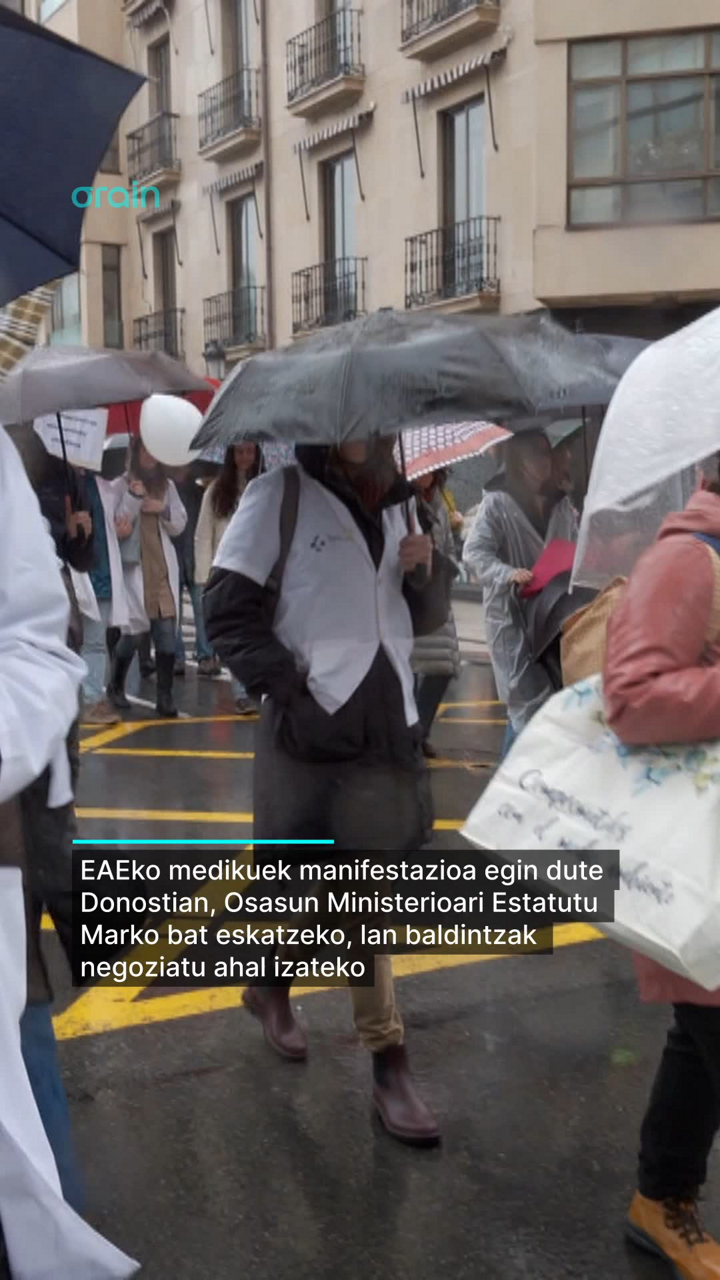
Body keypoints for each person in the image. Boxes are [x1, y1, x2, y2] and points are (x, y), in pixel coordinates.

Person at [204, 437, 451, 1146]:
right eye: (354, 422)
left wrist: (426, 571)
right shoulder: (277, 496)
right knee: (315, 889)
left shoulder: (403, 504)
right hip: (312, 732)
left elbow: (424, 616)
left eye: (379, 422)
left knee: (362, 896)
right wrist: (292, 690)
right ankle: (330, 1021)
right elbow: (225, 612)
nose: (367, 433)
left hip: (386, 726)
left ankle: (368, 1045)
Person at [604, 460, 720, 1279]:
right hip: (702, 858)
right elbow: (633, 697)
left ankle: (661, 1196)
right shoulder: (689, 558)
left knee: (698, 1034)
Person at [463, 431, 578, 756]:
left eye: (547, 452)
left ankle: (516, 778)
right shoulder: (497, 503)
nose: (544, 460)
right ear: (518, 459)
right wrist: (508, 574)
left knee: (541, 710)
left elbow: (573, 547)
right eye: (535, 453)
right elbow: (474, 553)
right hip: (513, 623)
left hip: (553, 619)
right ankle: (510, 779)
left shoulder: (561, 504)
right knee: (525, 711)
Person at [108, 439, 187, 719]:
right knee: (133, 632)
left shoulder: (167, 487)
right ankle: (115, 684)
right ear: (136, 451)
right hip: (134, 569)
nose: (150, 456)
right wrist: (133, 496)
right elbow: (116, 523)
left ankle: (164, 697)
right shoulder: (120, 485)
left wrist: (161, 508)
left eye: (154, 450)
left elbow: (179, 524)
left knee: (166, 633)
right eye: (145, 449)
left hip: (161, 570)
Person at [195, 442, 261, 713]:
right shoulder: (216, 491)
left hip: (259, 572)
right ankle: (241, 692)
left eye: (250, 451)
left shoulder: (265, 487)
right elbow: (203, 535)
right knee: (237, 634)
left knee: (257, 633)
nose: (245, 457)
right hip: (227, 572)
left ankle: (254, 687)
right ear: (231, 455)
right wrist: (204, 575)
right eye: (239, 451)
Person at [75, 467, 134, 725]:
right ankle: (81, 699)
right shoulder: (62, 483)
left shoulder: (101, 485)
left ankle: (91, 699)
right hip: (77, 572)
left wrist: (134, 494)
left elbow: (121, 516)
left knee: (95, 643)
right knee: (74, 643)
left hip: (103, 574)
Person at [411, 469, 460, 758]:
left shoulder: (440, 501)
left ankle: (420, 730)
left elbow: (449, 546)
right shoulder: (404, 503)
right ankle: (411, 735)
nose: (427, 474)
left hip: (438, 595)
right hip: (413, 597)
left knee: (442, 668)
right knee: (410, 669)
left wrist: (448, 565)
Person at [170, 463, 216, 678]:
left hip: (195, 558)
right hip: (174, 556)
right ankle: (178, 656)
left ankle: (205, 655)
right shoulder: (167, 489)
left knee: (202, 609)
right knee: (175, 611)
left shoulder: (199, 492)